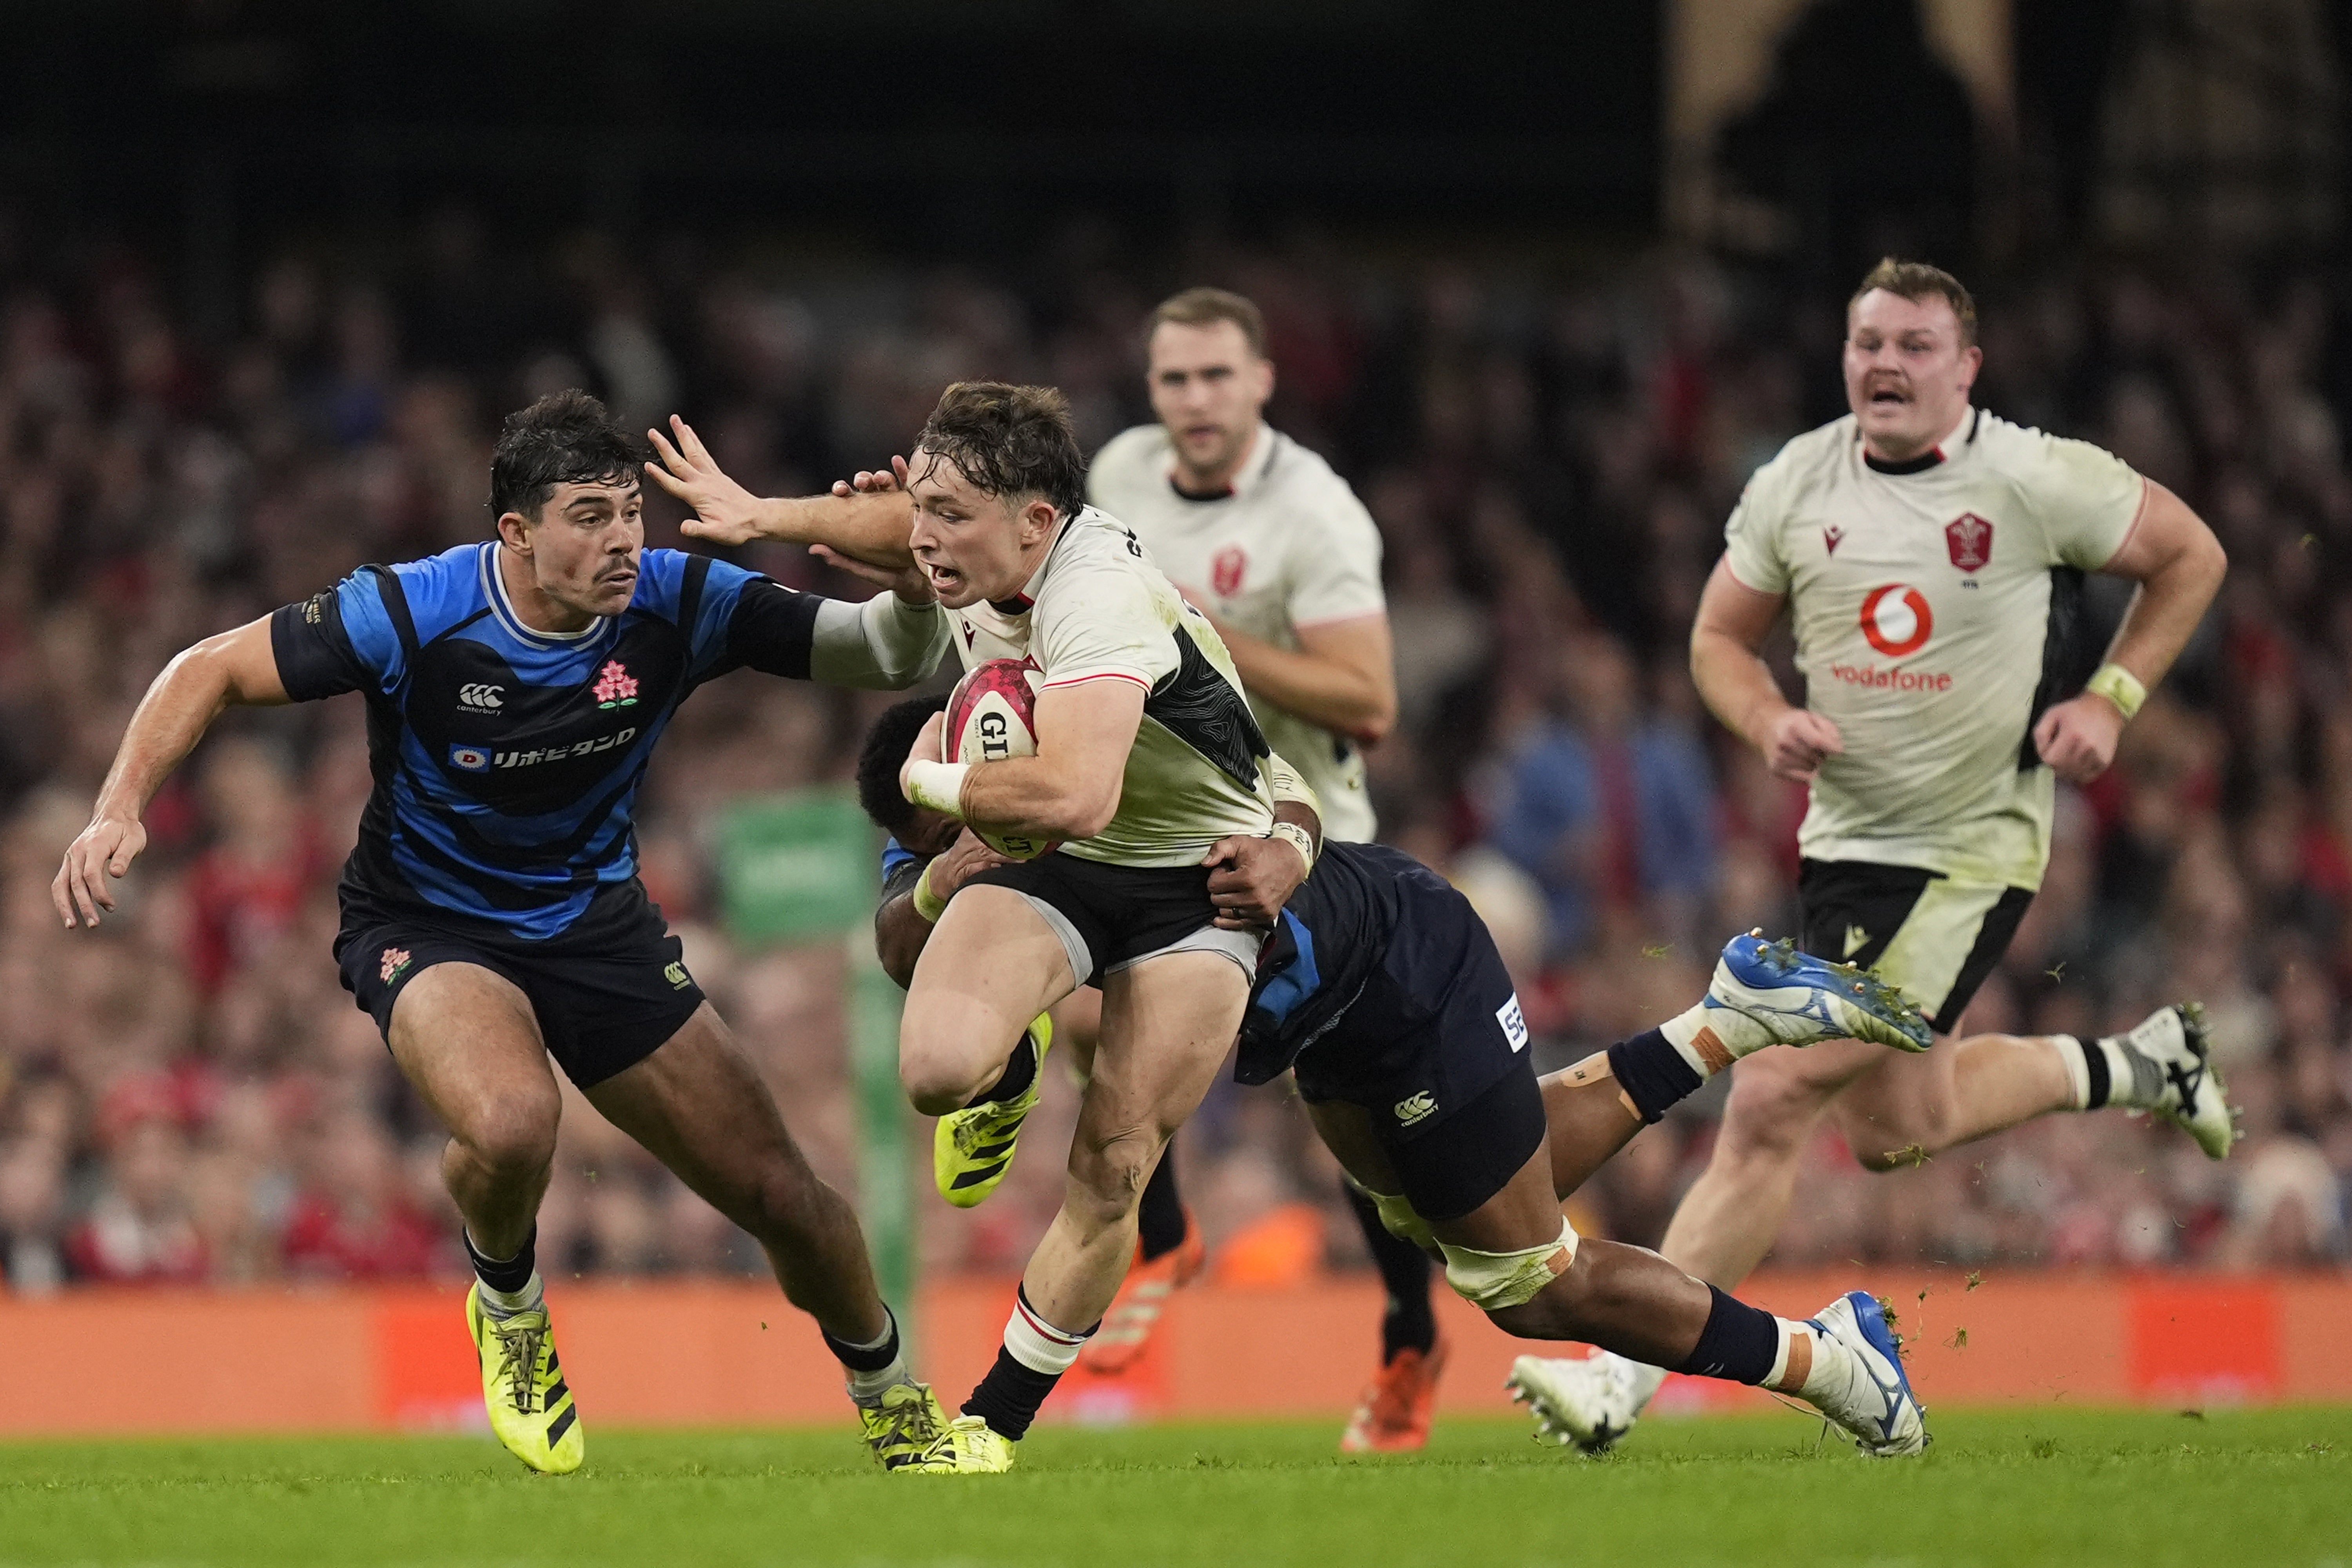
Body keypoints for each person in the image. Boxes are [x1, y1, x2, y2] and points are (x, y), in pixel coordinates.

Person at [53, 391, 955, 1475]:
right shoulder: (416, 610)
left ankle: (892, 1398)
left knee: (788, 1200)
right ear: (518, 534)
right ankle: (512, 1307)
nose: (623, 537)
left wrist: (907, 583)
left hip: (596, 927)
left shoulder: (678, 599)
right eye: (589, 515)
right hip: (427, 923)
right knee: (516, 1120)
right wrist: (118, 808)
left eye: (629, 510)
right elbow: (208, 668)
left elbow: (885, 658)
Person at [1508, 257, 2236, 1452]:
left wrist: (2111, 696)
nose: (1886, 364)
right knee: (1901, 1125)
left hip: (1971, 850)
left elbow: (2193, 554)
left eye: (1914, 344)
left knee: (1775, 1095)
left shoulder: (2033, 475)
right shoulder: (1799, 480)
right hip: (1845, 848)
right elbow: (1716, 640)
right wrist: (1764, 719)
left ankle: (1615, 1386)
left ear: (1968, 367)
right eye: (1868, 343)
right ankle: (2147, 1066)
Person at [858, 688, 1942, 1458]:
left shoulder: (1102, 791)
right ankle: (1721, 1026)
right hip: (1333, 1027)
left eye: (965, 823)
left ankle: (1834, 1363)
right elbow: (906, 947)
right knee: (1448, 1219)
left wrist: (1009, 1062)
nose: (969, 847)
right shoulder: (983, 835)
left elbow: (1127, 1020)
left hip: (1402, 970)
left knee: (1528, 1281)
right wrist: (942, 884)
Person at [669, 380, 1314, 1474]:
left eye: (951, 513)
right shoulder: (978, 543)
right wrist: (763, 515)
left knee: (1114, 1162)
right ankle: (1016, 1056)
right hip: (1069, 866)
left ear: (1036, 525)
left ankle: (996, 1421)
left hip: (1190, 878)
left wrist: (938, 778)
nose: (924, 536)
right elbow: (892, 526)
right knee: (934, 1069)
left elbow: (1076, 796)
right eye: (923, 504)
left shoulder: (1096, 598)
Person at [1086, 285, 1440, 1447]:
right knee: (1083, 1000)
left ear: (1262, 382)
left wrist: (1206, 645)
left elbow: (1372, 700)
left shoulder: (1317, 515)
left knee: (1344, 1112)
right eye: (1174, 380)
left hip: (1301, 834)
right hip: (1163, 819)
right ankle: (1167, 1232)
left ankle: (1406, 1336)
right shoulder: (1122, 477)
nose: (1194, 402)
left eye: (1216, 378)